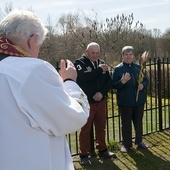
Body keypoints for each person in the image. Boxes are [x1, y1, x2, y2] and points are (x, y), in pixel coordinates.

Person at [0, 10, 90, 170]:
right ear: (33, 40)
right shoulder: (31, 70)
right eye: (39, 45)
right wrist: (69, 81)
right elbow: (73, 117)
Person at [74, 42, 116, 165]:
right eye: (93, 53)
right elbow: (84, 78)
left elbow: (109, 81)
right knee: (85, 129)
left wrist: (101, 93)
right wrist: (99, 70)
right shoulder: (79, 63)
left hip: (101, 101)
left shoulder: (101, 63)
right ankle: (84, 154)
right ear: (86, 52)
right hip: (87, 103)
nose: (95, 55)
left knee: (101, 127)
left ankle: (102, 149)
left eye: (97, 53)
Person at [112, 46, 149, 153]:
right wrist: (122, 82)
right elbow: (113, 85)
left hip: (139, 101)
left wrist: (143, 85)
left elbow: (146, 80)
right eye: (126, 54)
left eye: (130, 54)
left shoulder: (139, 67)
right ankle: (126, 144)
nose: (128, 57)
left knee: (138, 122)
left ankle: (139, 141)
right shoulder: (118, 69)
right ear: (122, 55)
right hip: (125, 101)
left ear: (133, 56)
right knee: (126, 123)